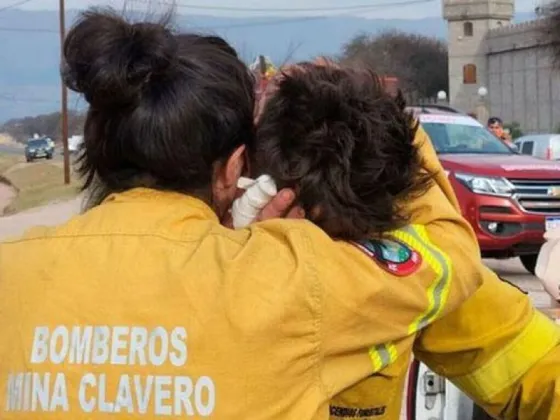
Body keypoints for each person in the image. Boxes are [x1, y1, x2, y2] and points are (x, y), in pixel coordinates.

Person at [0, 9, 484, 419]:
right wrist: (375, 114)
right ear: (234, 168)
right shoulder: (291, 278)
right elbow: (450, 256)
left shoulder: (11, 271)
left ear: (100, 150)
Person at [253, 59, 560, 419]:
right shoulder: (422, 269)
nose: (350, 256)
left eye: (362, 240)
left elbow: (536, 367)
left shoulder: (415, 274)